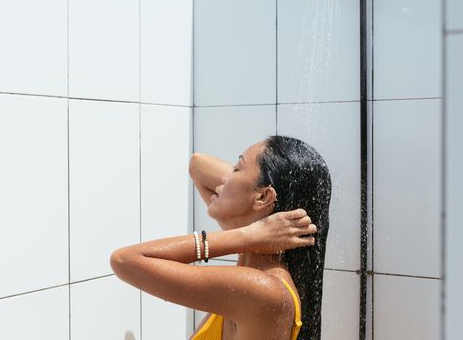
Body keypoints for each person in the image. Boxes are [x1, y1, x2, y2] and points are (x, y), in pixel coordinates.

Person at [110, 135, 331, 340]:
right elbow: (198, 164)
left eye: (236, 168)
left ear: (264, 196)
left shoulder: (264, 289)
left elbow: (124, 260)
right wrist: (254, 219)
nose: (224, 177)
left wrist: (248, 234)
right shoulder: (254, 266)